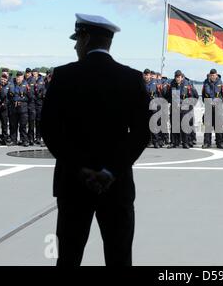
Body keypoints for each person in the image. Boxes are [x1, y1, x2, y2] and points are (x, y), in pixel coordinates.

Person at [41, 13, 150, 266]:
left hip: (73, 183)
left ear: (86, 38)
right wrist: (111, 171)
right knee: (119, 255)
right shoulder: (131, 78)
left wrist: (80, 169)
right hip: (116, 184)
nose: (75, 46)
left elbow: (50, 130)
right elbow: (142, 133)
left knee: (68, 255)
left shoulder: (64, 75)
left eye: (77, 40)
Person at [165, 70, 199, 149]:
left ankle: (185, 143)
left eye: (179, 77)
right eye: (176, 77)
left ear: (182, 77)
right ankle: (174, 143)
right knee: (174, 126)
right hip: (175, 108)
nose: (177, 79)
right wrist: (172, 101)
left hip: (185, 109)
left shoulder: (188, 84)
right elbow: (167, 96)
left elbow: (196, 96)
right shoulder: (172, 84)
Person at [202, 69, 223, 149]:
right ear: (209, 75)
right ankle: (207, 143)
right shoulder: (205, 83)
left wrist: (218, 102)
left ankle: (220, 143)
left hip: (217, 108)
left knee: (218, 126)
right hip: (209, 107)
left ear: (216, 75)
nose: (212, 76)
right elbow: (203, 96)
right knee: (208, 126)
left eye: (214, 75)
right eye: (211, 75)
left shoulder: (220, 83)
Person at [8, 71, 31, 147]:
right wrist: (15, 100)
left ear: (22, 77)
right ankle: (13, 140)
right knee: (13, 126)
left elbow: (29, 97)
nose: (18, 78)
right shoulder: (12, 84)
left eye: (20, 77)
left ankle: (25, 140)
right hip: (14, 108)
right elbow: (9, 96)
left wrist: (20, 100)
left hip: (23, 109)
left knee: (23, 126)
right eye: (17, 77)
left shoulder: (26, 85)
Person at [0, 69, 11, 145]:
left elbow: (10, 97)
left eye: (4, 79)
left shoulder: (9, 85)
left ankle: (5, 138)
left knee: (4, 124)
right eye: (2, 79)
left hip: (5, 108)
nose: (3, 80)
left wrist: (4, 103)